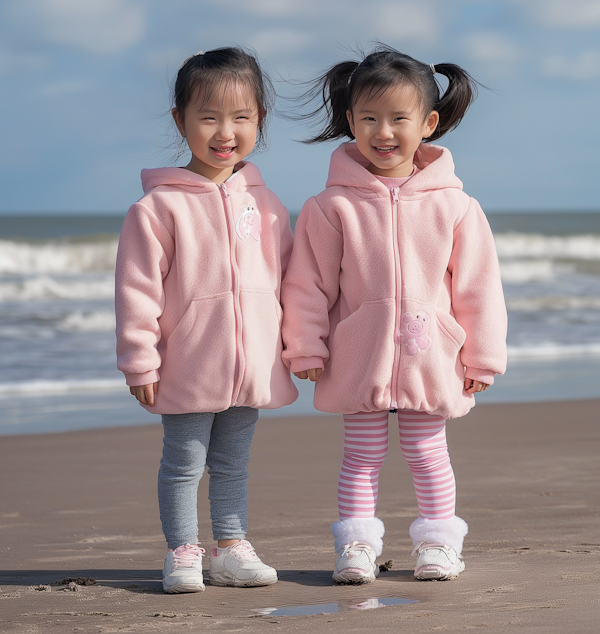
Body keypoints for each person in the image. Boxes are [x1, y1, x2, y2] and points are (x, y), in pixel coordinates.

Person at [281, 47, 507, 584]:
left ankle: (438, 542)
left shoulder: (456, 206)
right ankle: (357, 545)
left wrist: (483, 355)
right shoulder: (330, 206)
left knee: (428, 451)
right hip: (358, 352)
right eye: (369, 118)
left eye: (399, 119)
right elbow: (308, 283)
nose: (384, 132)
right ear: (350, 121)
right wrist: (307, 346)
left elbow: (478, 287)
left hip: (432, 353)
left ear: (428, 123)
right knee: (360, 456)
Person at [115, 47, 298, 593]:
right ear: (181, 121)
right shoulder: (157, 210)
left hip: (253, 364)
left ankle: (231, 546)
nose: (226, 131)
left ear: (259, 121)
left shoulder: (268, 206)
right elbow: (137, 292)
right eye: (209, 116)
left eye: (241, 117)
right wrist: (139, 361)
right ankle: (182, 551)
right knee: (184, 461)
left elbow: (290, 282)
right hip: (190, 361)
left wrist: (300, 347)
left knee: (233, 462)